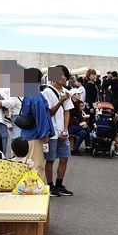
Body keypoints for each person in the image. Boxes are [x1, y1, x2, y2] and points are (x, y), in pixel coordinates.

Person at [41, 65, 75, 195]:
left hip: (62, 131)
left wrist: (65, 129)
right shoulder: (47, 92)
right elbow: (49, 112)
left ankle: (59, 184)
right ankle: (50, 186)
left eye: (65, 75)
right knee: (50, 159)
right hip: (51, 131)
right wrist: (61, 101)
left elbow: (67, 112)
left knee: (64, 157)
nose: (63, 77)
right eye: (60, 74)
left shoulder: (66, 92)